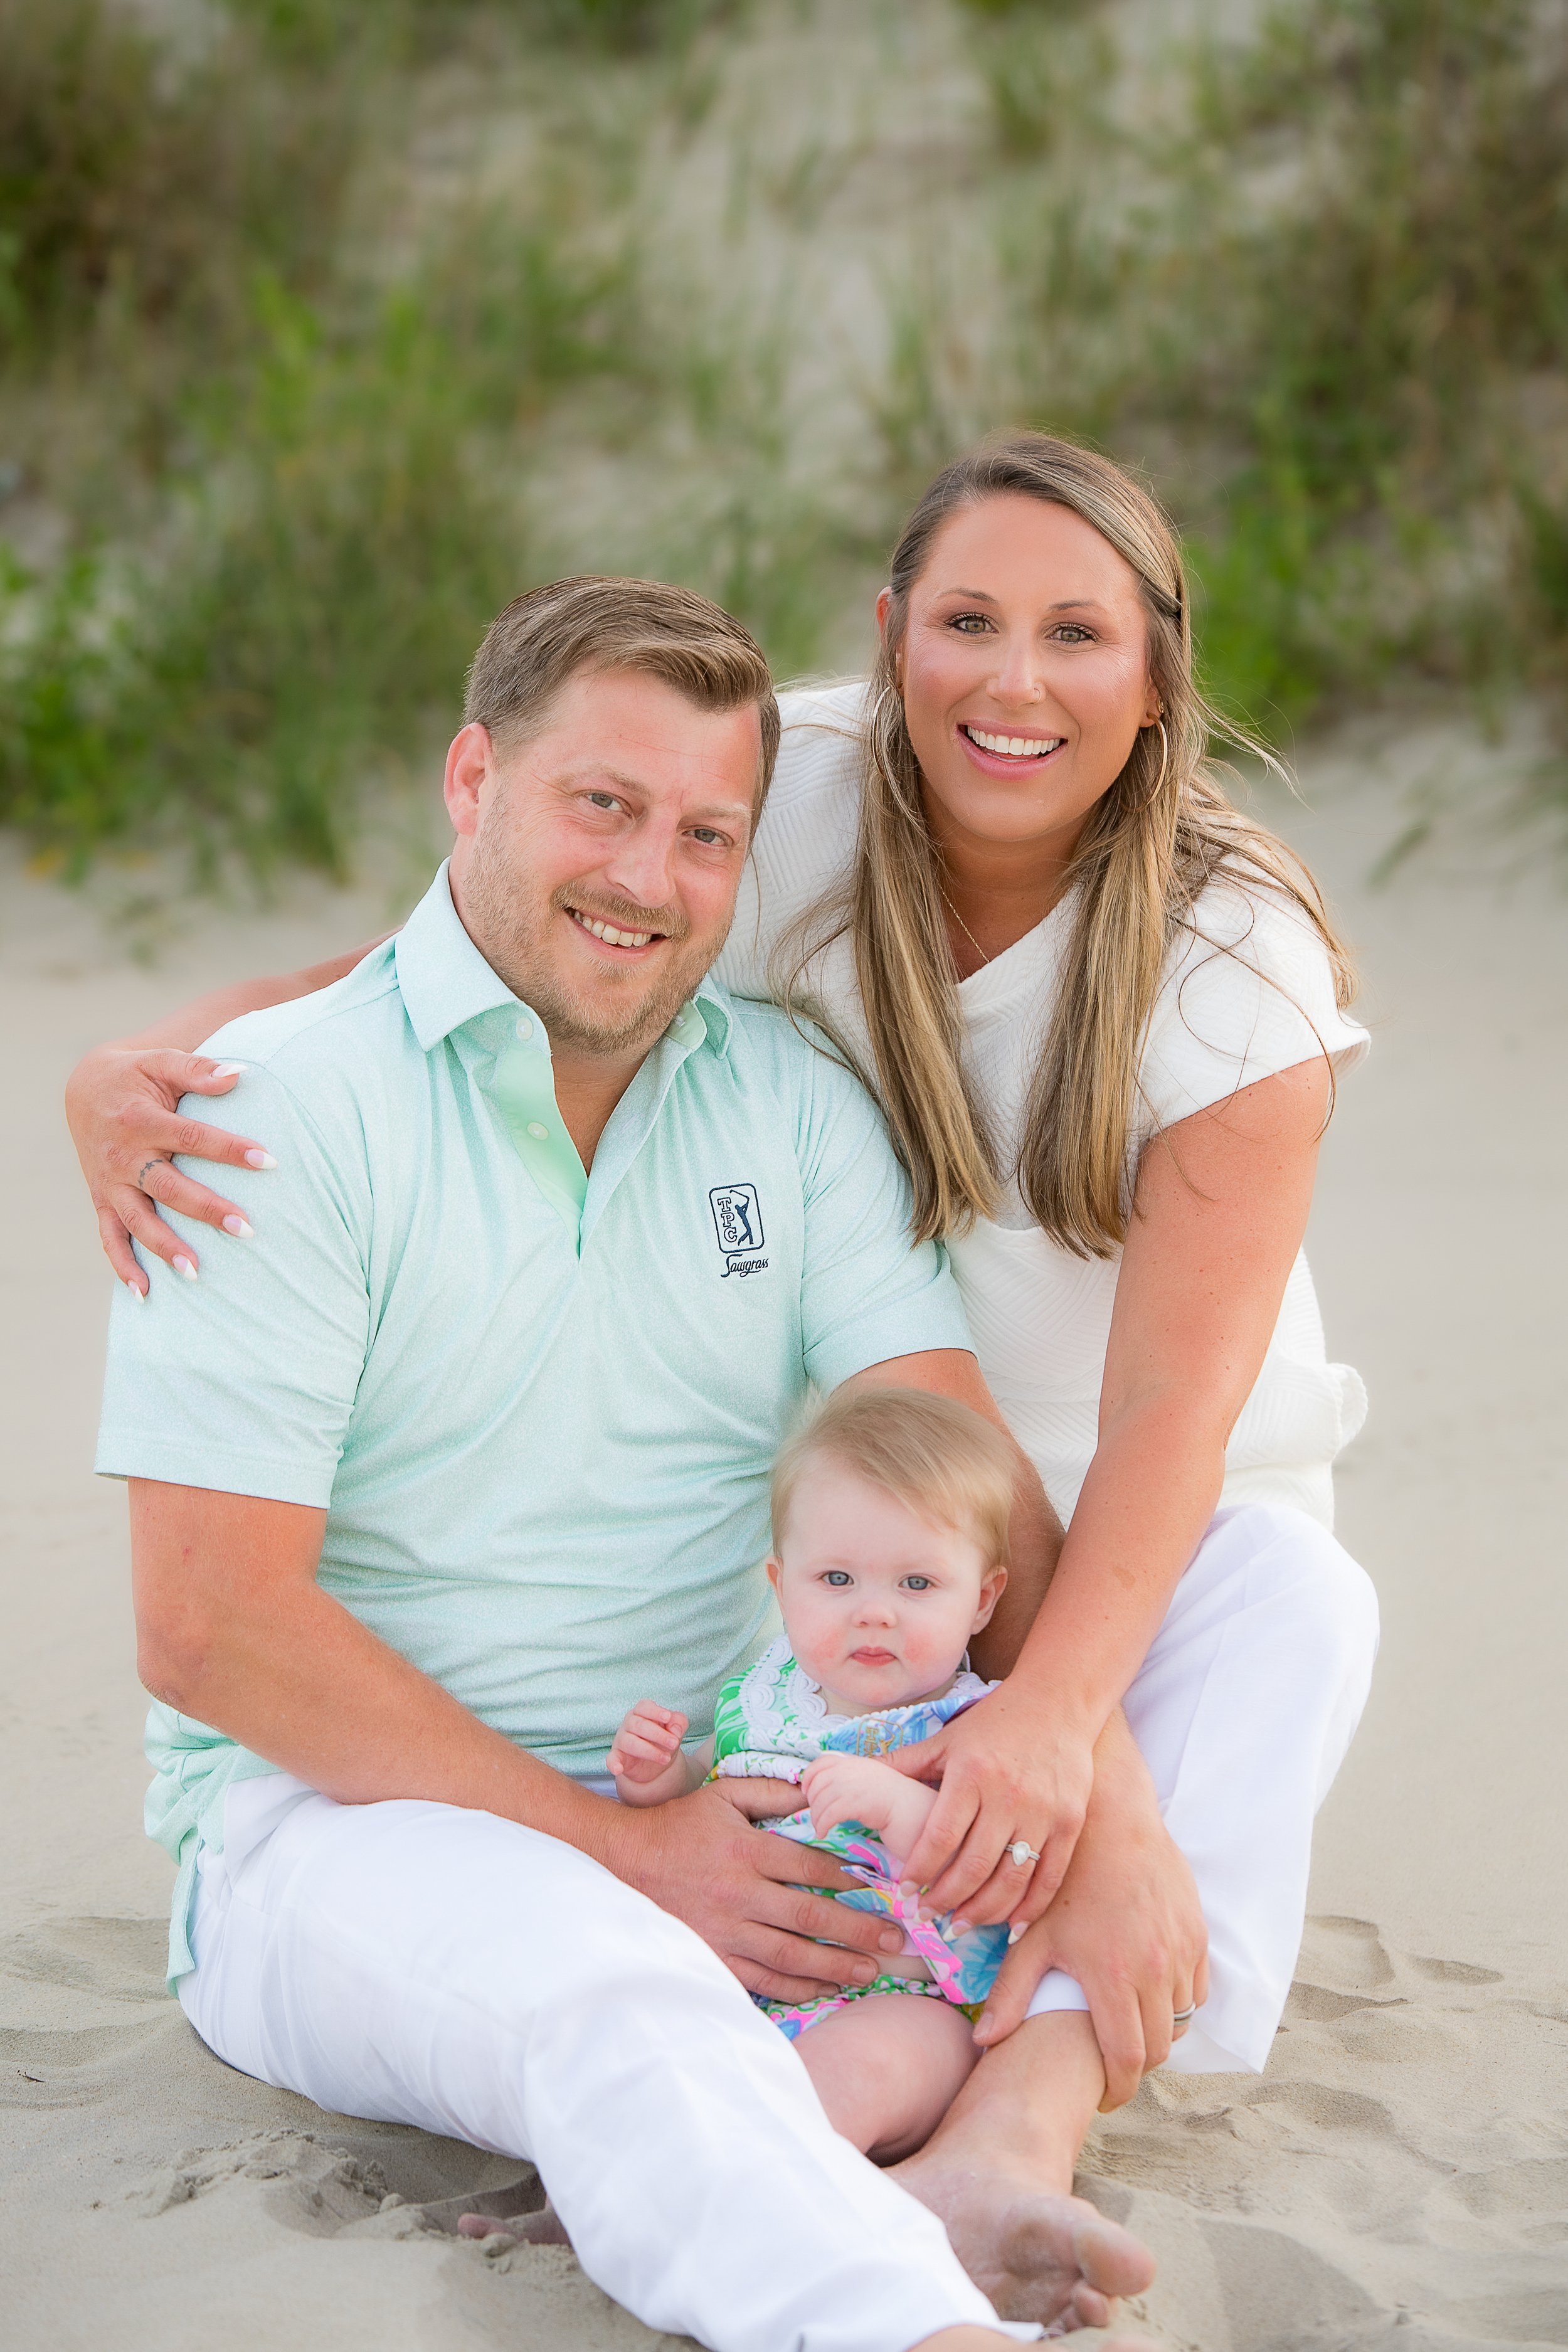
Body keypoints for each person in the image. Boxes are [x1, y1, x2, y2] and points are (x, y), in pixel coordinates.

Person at [68, 431, 1381, 2321]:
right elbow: (205, 1629)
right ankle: (896, 2307)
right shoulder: (279, 1119)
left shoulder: (793, 1091)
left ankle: (1009, 2117)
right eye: (598, 805)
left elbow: (983, 1455)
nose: (652, 874)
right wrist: (628, 1851)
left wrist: (1093, 1776)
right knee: (613, 1980)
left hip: (770, 1729)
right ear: (471, 782)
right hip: (363, 1824)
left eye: (700, 835)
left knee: (1274, 1588)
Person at [611, 1385, 1019, 2163]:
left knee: (852, 2072)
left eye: (917, 1584)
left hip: (903, 1997)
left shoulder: (973, 1729)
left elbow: (988, 1880)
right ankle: (609, 2196)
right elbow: (716, 1791)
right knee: (642, 2047)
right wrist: (659, 1777)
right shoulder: (765, 1691)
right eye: (836, 1580)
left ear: (982, 1599)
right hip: (744, 1976)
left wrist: (900, 1807)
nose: (873, 1612)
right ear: (780, 1584)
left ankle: (776, 2183)